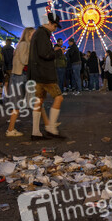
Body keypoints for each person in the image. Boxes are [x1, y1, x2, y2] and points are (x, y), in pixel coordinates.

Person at [28, 12, 65, 140]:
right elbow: (45, 54)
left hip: (37, 73)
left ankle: (35, 132)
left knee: (39, 101)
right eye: (54, 26)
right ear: (49, 23)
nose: (55, 29)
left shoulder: (37, 34)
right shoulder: (43, 34)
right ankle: (51, 128)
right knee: (59, 98)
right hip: (45, 73)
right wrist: (58, 53)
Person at [6, 28, 35, 137]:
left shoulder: (24, 44)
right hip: (19, 76)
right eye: (33, 34)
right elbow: (24, 60)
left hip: (20, 76)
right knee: (17, 105)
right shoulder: (24, 44)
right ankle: (10, 130)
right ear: (28, 34)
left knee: (20, 104)